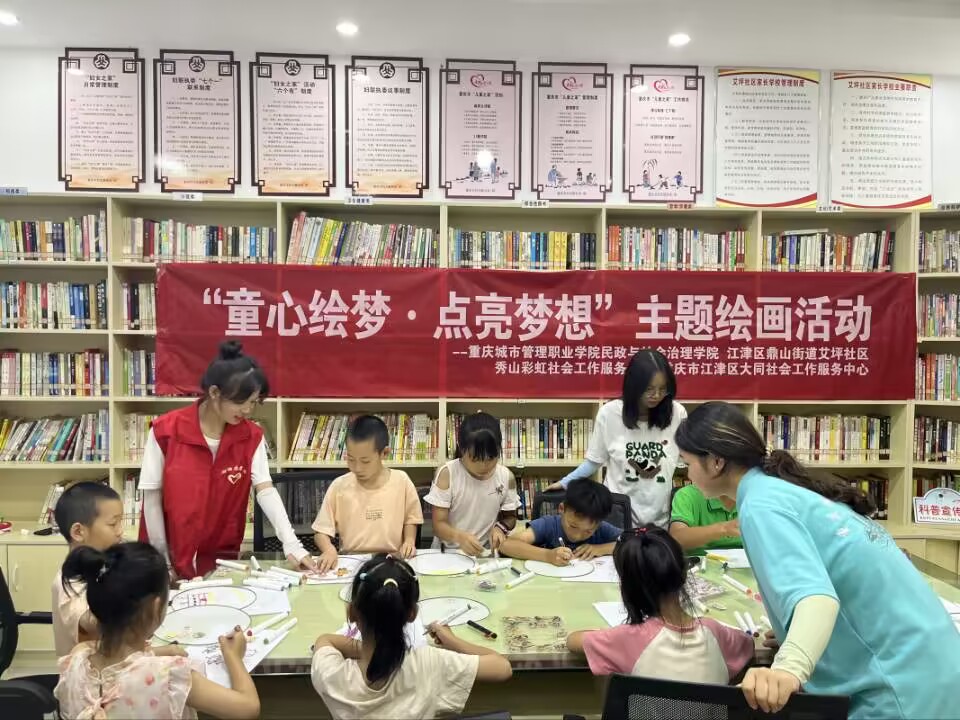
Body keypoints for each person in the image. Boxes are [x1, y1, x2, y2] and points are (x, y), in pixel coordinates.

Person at [675, 401, 960, 718]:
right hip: (933, 664)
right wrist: (795, 632)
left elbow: (817, 600)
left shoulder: (760, 504)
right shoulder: (777, 490)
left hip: (902, 689)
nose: (687, 473)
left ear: (715, 462)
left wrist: (788, 668)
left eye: (687, 462)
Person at [139, 341, 312, 580]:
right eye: (241, 402)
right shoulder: (166, 431)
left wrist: (292, 543)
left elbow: (265, 490)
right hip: (168, 557)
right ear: (214, 393)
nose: (248, 410)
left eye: (254, 402)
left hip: (220, 558)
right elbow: (151, 498)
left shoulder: (251, 436)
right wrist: (162, 563)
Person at [55, 542, 260, 719]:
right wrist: (234, 656)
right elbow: (248, 708)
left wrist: (158, 652)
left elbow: (108, 660)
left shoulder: (74, 661)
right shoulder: (168, 676)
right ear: (156, 608)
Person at [310, 554, 512, 719]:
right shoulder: (429, 662)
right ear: (412, 614)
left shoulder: (332, 674)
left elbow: (324, 640)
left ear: (352, 613)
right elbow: (502, 667)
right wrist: (452, 641)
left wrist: (365, 648)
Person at [567, 525, 753, 683]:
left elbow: (573, 641)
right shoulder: (715, 632)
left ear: (628, 587)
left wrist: (609, 633)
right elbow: (749, 644)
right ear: (684, 573)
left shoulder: (627, 637)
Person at [547, 350, 686, 528]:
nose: (657, 395)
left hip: (661, 516)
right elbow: (594, 461)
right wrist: (566, 482)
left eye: (663, 389)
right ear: (634, 386)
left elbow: (690, 458)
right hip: (617, 514)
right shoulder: (610, 413)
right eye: (649, 389)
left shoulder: (677, 414)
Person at [313, 415, 423, 572]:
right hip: (351, 562)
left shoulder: (401, 481)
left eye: (365, 461)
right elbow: (320, 532)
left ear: (384, 453)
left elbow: (411, 518)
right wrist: (329, 549)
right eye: (351, 459)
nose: (357, 468)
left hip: (392, 560)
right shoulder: (339, 486)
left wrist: (409, 541)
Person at [425, 412, 519, 556]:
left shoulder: (507, 477)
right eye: (476, 459)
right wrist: (459, 537)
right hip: (448, 553)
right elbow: (438, 525)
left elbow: (510, 517)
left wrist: (500, 528)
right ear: (462, 449)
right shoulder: (447, 474)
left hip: (485, 554)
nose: (484, 466)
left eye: (491, 458)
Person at [52, 481, 124, 657]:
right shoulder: (70, 582)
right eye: (113, 524)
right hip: (89, 671)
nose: (120, 531)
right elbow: (95, 623)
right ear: (78, 532)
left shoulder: (101, 565)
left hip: (114, 662)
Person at [499, 479, 620, 565]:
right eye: (573, 526)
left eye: (588, 531)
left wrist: (601, 549)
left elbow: (630, 542)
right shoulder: (548, 525)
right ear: (562, 509)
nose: (577, 536)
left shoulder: (602, 528)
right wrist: (548, 555)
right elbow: (506, 545)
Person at [669, 484, 741, 555]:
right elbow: (676, 539)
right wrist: (724, 528)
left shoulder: (747, 497)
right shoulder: (687, 495)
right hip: (699, 560)